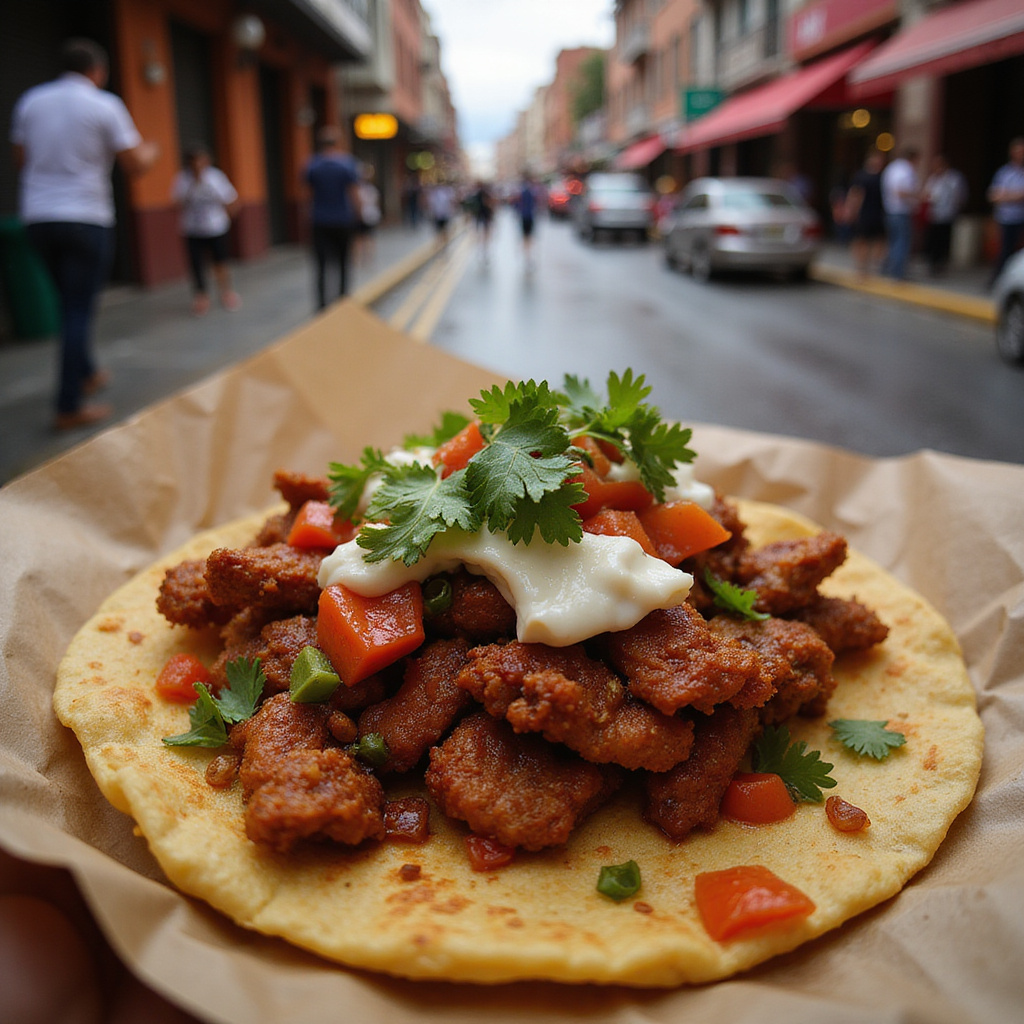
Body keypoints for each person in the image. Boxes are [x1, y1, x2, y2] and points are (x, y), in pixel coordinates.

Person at [10, 38, 158, 430]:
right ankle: (68, 404)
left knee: (68, 303)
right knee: (78, 309)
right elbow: (134, 163)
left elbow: (20, 159)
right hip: (85, 218)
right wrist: (153, 150)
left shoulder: (30, 101)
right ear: (98, 71)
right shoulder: (104, 104)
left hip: (38, 217)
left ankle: (88, 372)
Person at [172, 143, 241, 315]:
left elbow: (232, 201)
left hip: (216, 228)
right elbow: (175, 204)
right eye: (194, 161)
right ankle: (201, 296)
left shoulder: (216, 178)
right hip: (192, 230)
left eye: (201, 161)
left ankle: (226, 293)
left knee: (220, 262)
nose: (198, 165)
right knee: (196, 265)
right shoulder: (182, 180)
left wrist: (226, 218)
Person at [303, 126, 362, 310]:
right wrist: (359, 216)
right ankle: (343, 299)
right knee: (344, 262)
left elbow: (307, 194)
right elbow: (354, 193)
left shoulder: (312, 164)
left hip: (319, 220)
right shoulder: (347, 164)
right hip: (343, 220)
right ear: (338, 143)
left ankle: (321, 305)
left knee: (321, 265)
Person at [986, 136, 1024, 286]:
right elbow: (993, 195)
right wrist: (1014, 196)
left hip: (1020, 217)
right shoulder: (1004, 172)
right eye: (1018, 151)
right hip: (1006, 218)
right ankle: (999, 280)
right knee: (1004, 250)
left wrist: (1007, 195)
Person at [922, 154, 967, 276]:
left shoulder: (954, 178)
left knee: (944, 241)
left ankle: (941, 264)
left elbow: (960, 196)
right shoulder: (933, 179)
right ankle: (932, 263)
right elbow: (926, 193)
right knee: (933, 240)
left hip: (948, 215)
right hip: (934, 215)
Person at [880, 146, 920, 280]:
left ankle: (887, 268)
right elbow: (900, 191)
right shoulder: (906, 170)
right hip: (901, 211)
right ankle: (897, 272)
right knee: (901, 242)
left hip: (890, 210)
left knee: (893, 241)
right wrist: (917, 196)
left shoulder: (892, 168)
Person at [845, 150, 887, 277]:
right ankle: (861, 268)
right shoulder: (861, 176)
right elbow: (855, 194)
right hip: (864, 213)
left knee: (879, 240)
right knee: (862, 240)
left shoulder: (882, 177)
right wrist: (851, 211)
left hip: (878, 213)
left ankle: (874, 266)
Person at [354, 163, 381, 266]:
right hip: (370, 216)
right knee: (367, 238)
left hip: (365, 216)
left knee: (360, 238)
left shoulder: (359, 189)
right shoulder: (371, 189)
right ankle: (368, 260)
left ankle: (360, 260)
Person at [469, 179, 495, 261]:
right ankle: (483, 248)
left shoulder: (476, 194)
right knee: (484, 232)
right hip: (483, 215)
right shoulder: (484, 194)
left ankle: (482, 248)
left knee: (481, 232)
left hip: (480, 216)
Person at [515, 174, 538, 266]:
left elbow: (517, 204)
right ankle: (528, 255)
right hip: (529, 216)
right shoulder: (531, 191)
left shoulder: (522, 191)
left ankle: (527, 254)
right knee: (528, 236)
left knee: (526, 236)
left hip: (525, 216)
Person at [427, 181, 456, 246]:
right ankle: (440, 242)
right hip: (437, 215)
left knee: (444, 229)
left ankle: (445, 242)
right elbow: (431, 205)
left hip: (444, 214)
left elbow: (451, 202)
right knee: (438, 230)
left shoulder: (447, 192)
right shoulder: (433, 194)